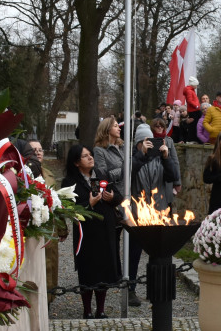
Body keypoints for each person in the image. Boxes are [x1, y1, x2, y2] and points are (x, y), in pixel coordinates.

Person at [62, 144, 124, 319]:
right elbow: (68, 209)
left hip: (105, 230)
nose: (90, 158)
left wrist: (112, 197)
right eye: (85, 156)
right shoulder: (69, 183)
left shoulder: (101, 175)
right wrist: (89, 204)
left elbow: (119, 196)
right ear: (76, 162)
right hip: (87, 233)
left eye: (90, 154)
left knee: (104, 269)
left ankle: (101, 309)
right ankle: (87, 310)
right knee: (88, 270)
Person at [127, 124, 179, 306]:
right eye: (144, 141)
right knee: (134, 253)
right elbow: (128, 173)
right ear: (138, 143)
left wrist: (166, 157)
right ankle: (131, 289)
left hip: (159, 211)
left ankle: (155, 289)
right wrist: (141, 154)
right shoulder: (133, 159)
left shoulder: (161, 159)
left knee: (157, 252)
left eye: (150, 140)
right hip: (138, 213)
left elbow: (172, 176)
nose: (149, 144)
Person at [92, 116, 124, 185]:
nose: (119, 129)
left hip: (129, 188)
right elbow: (103, 175)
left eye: (118, 126)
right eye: (115, 126)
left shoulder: (123, 147)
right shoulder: (99, 150)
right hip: (113, 189)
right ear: (107, 129)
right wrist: (123, 170)